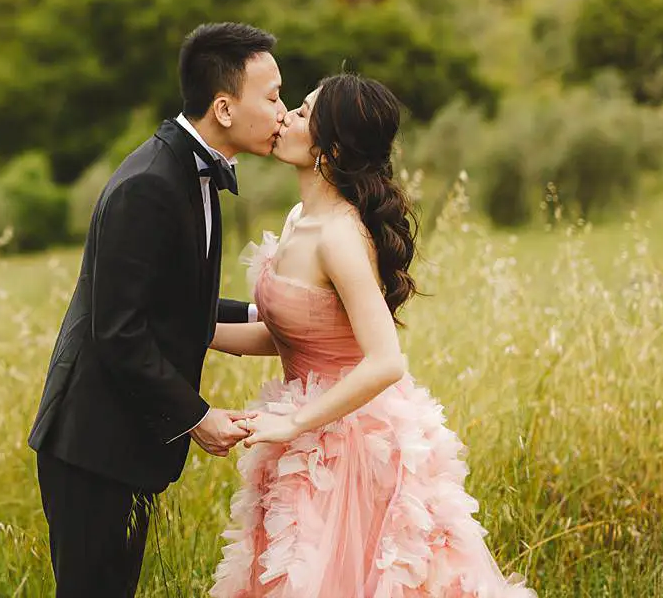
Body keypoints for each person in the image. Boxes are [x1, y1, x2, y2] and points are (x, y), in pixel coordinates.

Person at [208, 73, 536, 597]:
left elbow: (386, 361)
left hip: (355, 442)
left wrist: (293, 422)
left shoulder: (340, 236)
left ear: (329, 148)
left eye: (302, 112)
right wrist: (192, 333)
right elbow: (290, 337)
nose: (286, 115)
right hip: (305, 432)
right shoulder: (298, 219)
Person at [27, 22, 288, 598]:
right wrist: (196, 416)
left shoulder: (190, 173)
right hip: (91, 446)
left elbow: (180, 304)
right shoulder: (149, 183)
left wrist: (279, 316)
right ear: (224, 107)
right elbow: (119, 331)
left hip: (123, 444)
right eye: (271, 98)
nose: (282, 113)